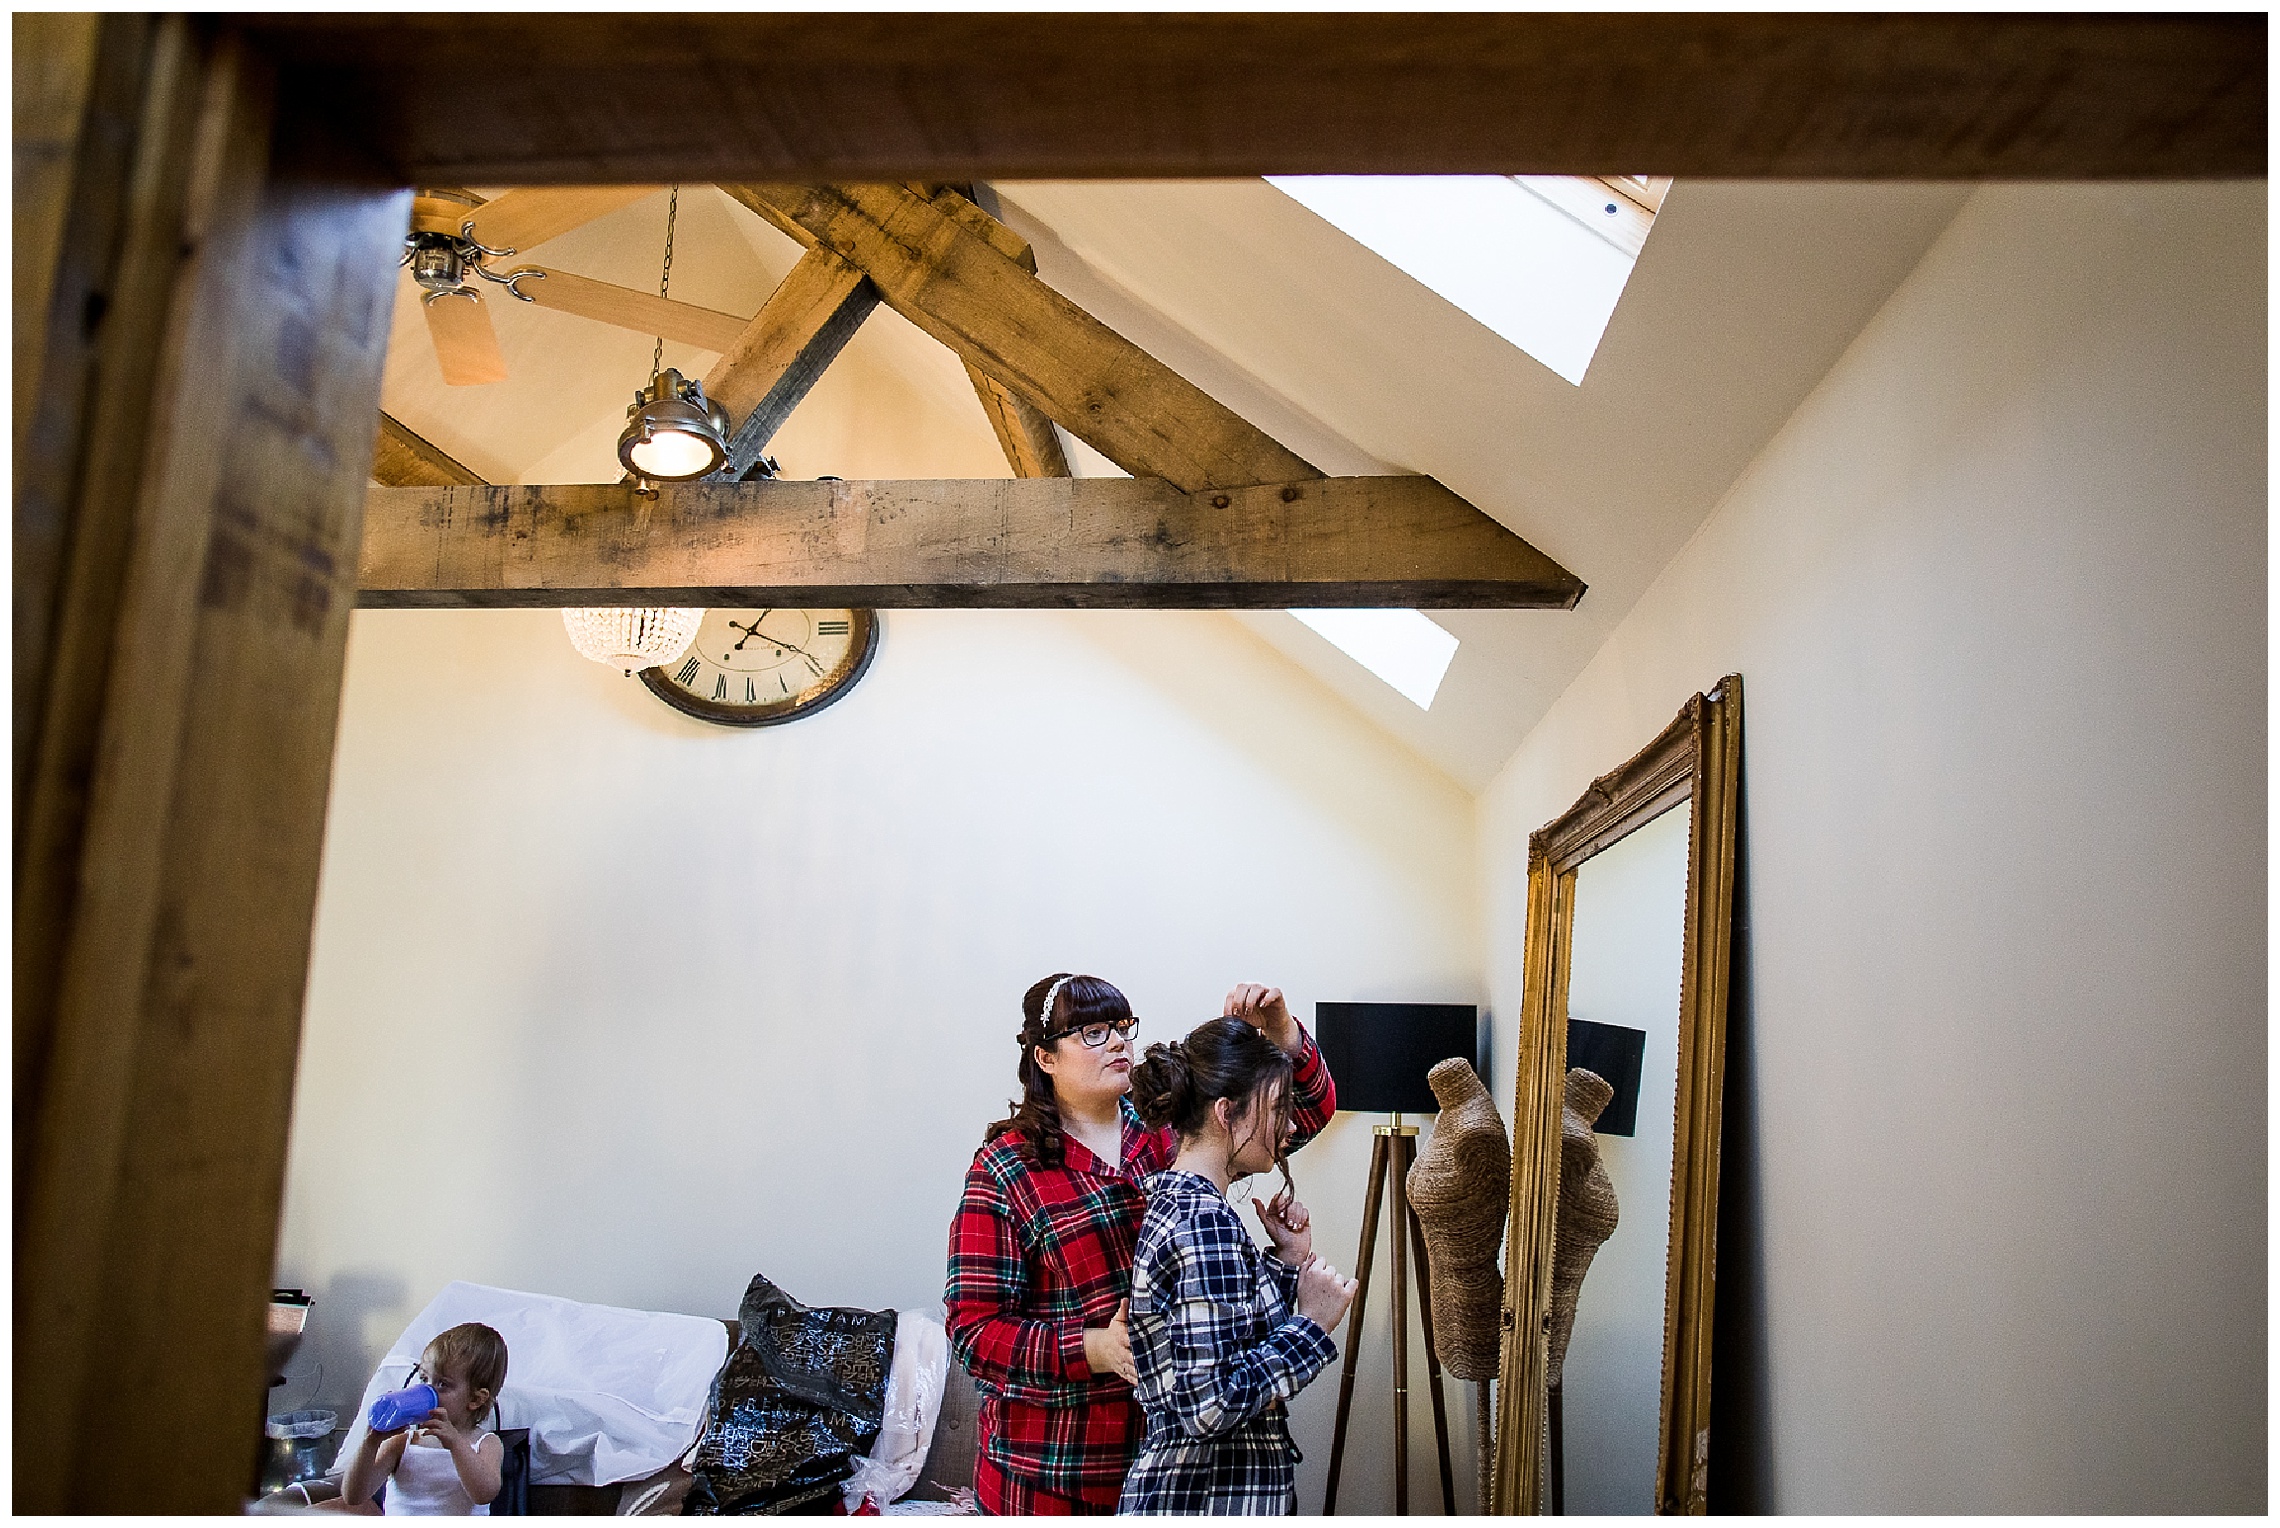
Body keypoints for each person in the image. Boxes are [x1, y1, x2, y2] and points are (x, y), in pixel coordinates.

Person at [946, 976, 1335, 1515]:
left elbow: (1288, 1116)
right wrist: (1093, 1348)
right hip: (1057, 1474)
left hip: (1176, 1471)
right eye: (1092, 1033)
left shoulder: (1162, 1129)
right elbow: (974, 1332)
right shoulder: (1006, 1171)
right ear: (1045, 1057)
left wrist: (1282, 1035)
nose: (1117, 1043)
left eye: (1123, 1028)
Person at [1116, 1018, 1360, 1516]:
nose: (1292, 1126)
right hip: (1203, 1500)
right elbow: (1209, 1405)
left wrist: (1288, 1263)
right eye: (1278, 1110)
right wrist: (1312, 1326)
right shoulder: (1203, 1220)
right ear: (1227, 1114)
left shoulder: (1184, 1205)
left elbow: (1230, 1332)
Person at [341, 1322, 509, 1515]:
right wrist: (370, 1444)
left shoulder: (485, 1444)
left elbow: (484, 1494)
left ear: (475, 1399)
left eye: (442, 1384)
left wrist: (455, 1444)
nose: (426, 1390)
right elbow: (353, 1496)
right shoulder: (402, 1443)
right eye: (423, 1378)